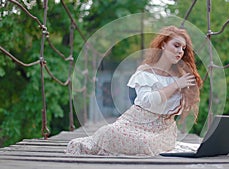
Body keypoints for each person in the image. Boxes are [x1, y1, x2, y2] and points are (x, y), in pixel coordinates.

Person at [66, 25, 203, 156]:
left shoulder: (181, 76)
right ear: (163, 45)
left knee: (146, 144)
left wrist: (183, 86)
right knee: (108, 132)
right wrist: (175, 86)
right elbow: (147, 102)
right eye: (176, 45)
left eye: (183, 48)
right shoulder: (146, 71)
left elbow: (180, 107)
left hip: (163, 130)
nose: (180, 51)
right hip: (134, 121)